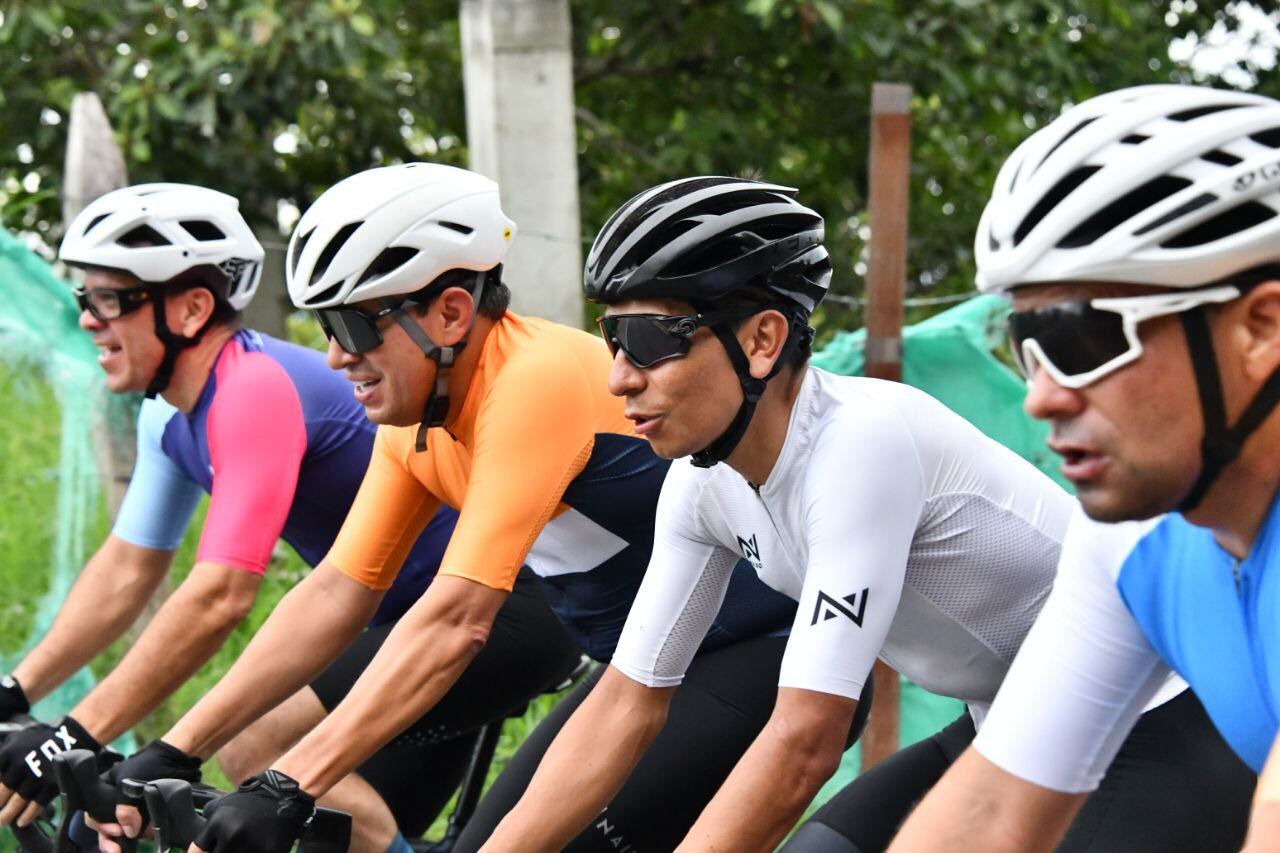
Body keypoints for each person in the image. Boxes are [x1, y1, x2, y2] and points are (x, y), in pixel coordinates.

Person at [479, 175, 1253, 853]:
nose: (618, 377)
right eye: (610, 337)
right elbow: (625, 703)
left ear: (762, 338)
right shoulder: (700, 484)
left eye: (648, 340)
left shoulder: (861, 443)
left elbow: (806, 742)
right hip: (1007, 721)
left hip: (1156, 721)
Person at [92, 163, 805, 853]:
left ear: (451, 312)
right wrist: (173, 748)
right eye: (325, 327)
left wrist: (288, 782)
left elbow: (458, 619)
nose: (336, 358)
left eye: (352, 325)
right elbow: (337, 592)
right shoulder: (413, 423)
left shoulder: (533, 379)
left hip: (753, 657)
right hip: (640, 668)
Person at [0, 182, 578, 853]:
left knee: (257, 743)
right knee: (320, 832)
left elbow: (220, 594)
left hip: (500, 611)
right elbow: (128, 568)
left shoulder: (252, 390)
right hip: (394, 625)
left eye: (109, 299)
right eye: (84, 298)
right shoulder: (170, 411)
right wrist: (18, 690)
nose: (87, 320)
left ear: (191, 308)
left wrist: (77, 734)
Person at [891, 83, 1280, 852]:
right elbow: (992, 812)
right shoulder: (1134, 534)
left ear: (1261, 327)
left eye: (1081, 338)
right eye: (1024, 342)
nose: (1039, 396)